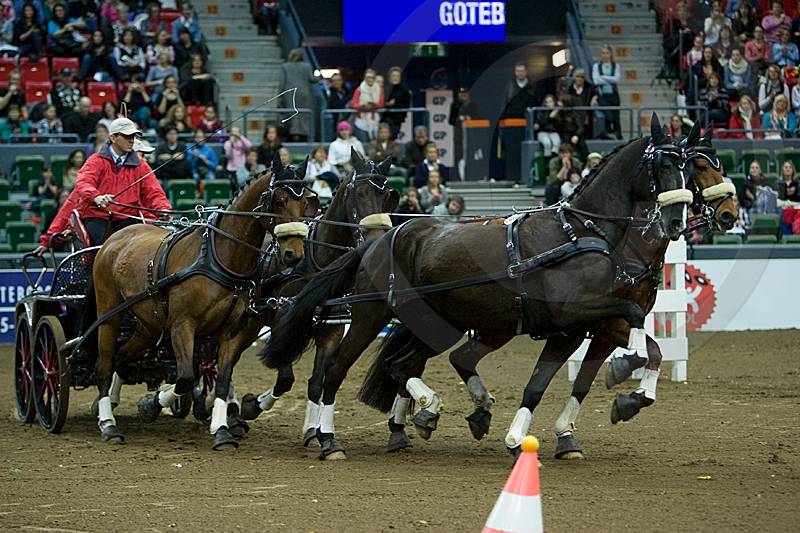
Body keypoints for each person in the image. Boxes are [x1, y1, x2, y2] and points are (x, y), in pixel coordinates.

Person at [36, 117, 172, 253]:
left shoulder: (141, 165)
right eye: (127, 136)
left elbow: (154, 191)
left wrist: (163, 209)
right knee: (104, 247)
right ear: (113, 138)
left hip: (127, 217)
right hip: (97, 215)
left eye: (133, 136)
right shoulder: (96, 161)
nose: (131, 140)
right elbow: (83, 183)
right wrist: (96, 197)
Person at [278, 48, 318, 142]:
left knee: (292, 113)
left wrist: (279, 97)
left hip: (290, 93)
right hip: (304, 93)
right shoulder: (307, 66)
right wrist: (320, 77)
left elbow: (282, 83)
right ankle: (304, 135)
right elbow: (312, 79)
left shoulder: (285, 66)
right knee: (303, 114)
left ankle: (293, 134)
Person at [592, 45, 622, 139]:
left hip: (613, 95)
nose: (605, 55)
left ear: (611, 54)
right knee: (609, 116)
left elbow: (617, 79)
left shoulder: (615, 66)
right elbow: (596, 81)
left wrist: (603, 77)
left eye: (607, 53)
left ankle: (618, 135)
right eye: (603, 53)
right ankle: (607, 134)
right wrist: (610, 79)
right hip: (603, 95)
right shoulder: (597, 66)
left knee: (616, 117)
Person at [448, 85, 480, 170]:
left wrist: (469, 118)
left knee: (471, 156)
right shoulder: (455, 105)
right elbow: (450, 121)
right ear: (458, 95)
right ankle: (458, 175)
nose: (463, 95)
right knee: (458, 156)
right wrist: (459, 119)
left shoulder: (472, 105)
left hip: (471, 137)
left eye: (465, 93)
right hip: (459, 137)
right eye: (461, 94)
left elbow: (478, 119)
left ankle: (472, 172)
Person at [350, 68, 384, 142]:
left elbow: (381, 104)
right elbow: (353, 104)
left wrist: (373, 104)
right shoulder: (359, 90)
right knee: (363, 143)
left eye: (372, 77)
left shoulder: (379, 89)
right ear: (364, 78)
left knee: (375, 143)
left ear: (374, 78)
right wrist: (363, 105)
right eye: (368, 77)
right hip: (361, 121)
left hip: (374, 120)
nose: (370, 79)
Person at [382, 66, 411, 140]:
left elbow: (407, 105)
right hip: (384, 117)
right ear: (389, 77)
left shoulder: (404, 90)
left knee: (392, 138)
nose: (395, 78)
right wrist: (387, 104)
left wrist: (395, 104)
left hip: (397, 119)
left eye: (397, 76)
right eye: (393, 76)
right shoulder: (385, 88)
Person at [533, 94, 562, 158]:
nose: (549, 104)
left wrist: (556, 112)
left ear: (554, 102)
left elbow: (559, 125)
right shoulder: (541, 111)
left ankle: (554, 159)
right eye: (547, 102)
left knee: (556, 142)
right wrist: (550, 117)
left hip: (553, 132)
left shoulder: (557, 112)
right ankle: (547, 159)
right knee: (547, 143)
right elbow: (541, 123)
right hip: (542, 132)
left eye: (551, 102)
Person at [326, 72, 351, 137]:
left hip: (347, 121)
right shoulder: (328, 93)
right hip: (334, 122)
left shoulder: (348, 92)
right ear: (331, 82)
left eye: (338, 80)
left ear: (342, 81)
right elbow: (335, 105)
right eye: (334, 80)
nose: (336, 82)